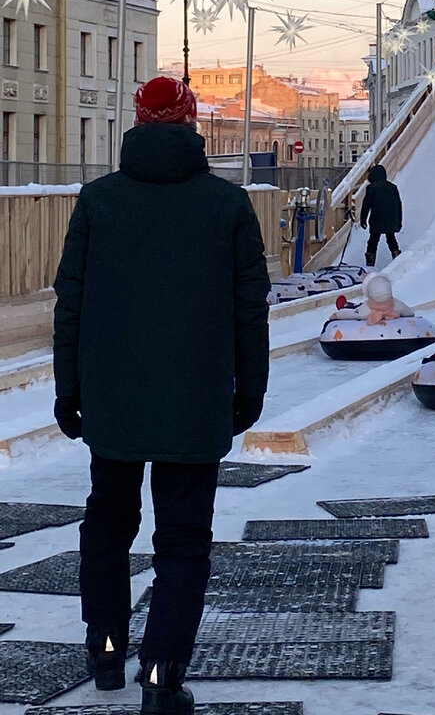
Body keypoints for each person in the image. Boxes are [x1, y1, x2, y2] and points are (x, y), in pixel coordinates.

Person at [53, 76, 270, 714]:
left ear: (138, 122)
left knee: (108, 523)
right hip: (196, 399)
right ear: (191, 124)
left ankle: (108, 647)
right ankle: (163, 679)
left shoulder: (98, 202)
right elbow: (248, 308)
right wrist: (248, 391)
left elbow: (72, 304)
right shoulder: (227, 206)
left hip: (113, 399)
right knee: (182, 539)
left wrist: (71, 390)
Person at [359, 164, 403, 267]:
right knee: (391, 239)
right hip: (391, 220)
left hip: (376, 219)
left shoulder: (371, 188)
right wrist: (399, 222)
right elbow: (398, 205)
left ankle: (370, 264)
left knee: (373, 241)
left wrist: (363, 220)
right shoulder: (393, 187)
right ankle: (397, 260)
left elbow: (366, 205)